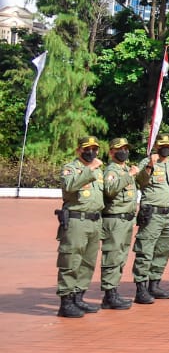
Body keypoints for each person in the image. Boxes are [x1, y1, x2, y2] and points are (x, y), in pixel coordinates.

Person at [56, 136, 105, 318]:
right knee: (71, 260)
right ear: (79, 150)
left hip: (95, 221)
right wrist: (89, 169)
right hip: (77, 220)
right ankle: (66, 302)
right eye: (87, 148)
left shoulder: (99, 171)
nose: (91, 152)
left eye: (94, 149)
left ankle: (78, 296)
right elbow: (69, 186)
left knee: (88, 262)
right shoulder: (70, 168)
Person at [133, 133, 169, 303]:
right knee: (145, 250)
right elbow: (140, 181)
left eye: (168, 145)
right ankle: (141, 288)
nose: (165, 148)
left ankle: (154, 284)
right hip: (152, 213)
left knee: (162, 251)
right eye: (162, 145)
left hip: (168, 214)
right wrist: (150, 166)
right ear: (156, 146)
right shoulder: (147, 162)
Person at [99, 138, 139, 310]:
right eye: (119, 149)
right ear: (111, 152)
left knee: (121, 257)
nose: (124, 152)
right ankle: (109, 294)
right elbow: (110, 190)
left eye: (126, 149)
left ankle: (113, 291)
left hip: (126, 219)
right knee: (113, 256)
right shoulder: (112, 170)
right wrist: (129, 175)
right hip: (114, 219)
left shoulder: (125, 169)